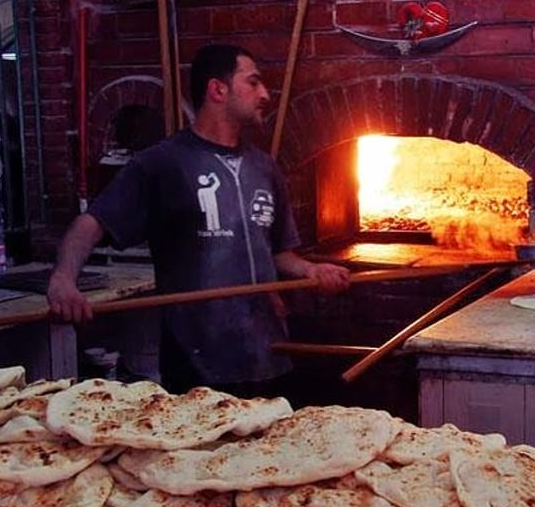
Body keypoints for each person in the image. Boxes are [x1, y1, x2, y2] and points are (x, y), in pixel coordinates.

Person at [47, 43, 350, 396]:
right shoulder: (163, 163)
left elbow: (279, 253)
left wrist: (311, 271)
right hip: (198, 365)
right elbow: (91, 223)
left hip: (267, 354)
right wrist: (63, 279)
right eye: (253, 83)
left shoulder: (264, 167)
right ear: (217, 89)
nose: (265, 94)